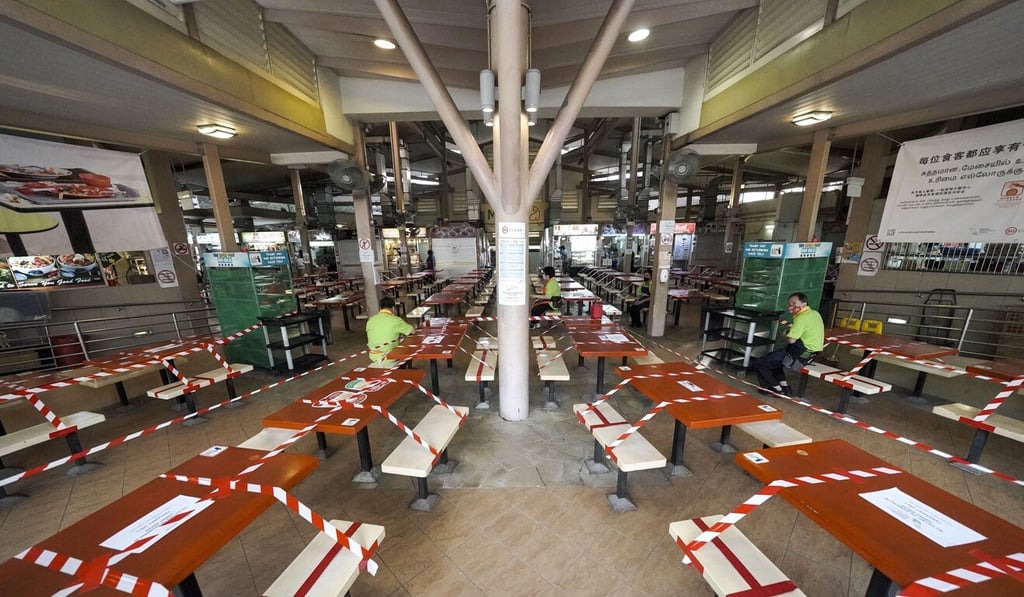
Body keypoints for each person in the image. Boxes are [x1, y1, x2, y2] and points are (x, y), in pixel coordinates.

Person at [752, 292, 825, 396]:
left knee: (760, 363)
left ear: (804, 303)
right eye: (789, 304)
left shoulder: (802, 317)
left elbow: (791, 340)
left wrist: (784, 335)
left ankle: (775, 389)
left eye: (794, 303)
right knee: (774, 360)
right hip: (812, 353)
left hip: (799, 353)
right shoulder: (814, 313)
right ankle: (785, 387)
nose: (791, 307)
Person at [366, 296, 414, 365]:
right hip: (389, 355)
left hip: (373, 355)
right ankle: (405, 367)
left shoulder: (371, 320)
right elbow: (412, 331)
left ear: (380, 308)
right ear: (393, 308)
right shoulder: (395, 320)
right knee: (408, 342)